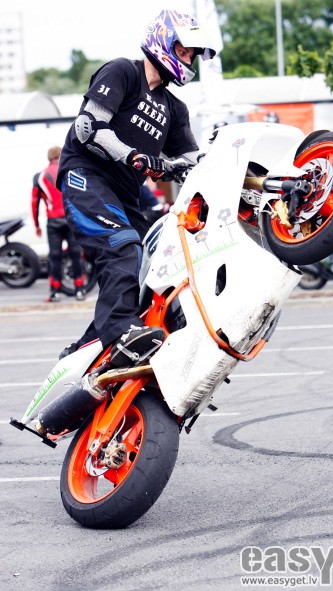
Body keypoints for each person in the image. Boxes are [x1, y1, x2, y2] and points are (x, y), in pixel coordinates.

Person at [56, 9, 216, 366]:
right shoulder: (123, 72)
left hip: (125, 195)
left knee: (150, 268)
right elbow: (89, 127)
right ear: (163, 40)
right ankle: (119, 331)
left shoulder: (175, 108)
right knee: (122, 245)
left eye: (192, 55)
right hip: (86, 176)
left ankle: (87, 350)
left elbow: (193, 161)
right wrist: (134, 156)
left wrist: (223, 163)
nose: (188, 60)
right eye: (184, 50)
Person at [31, 146, 85, 302]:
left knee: (54, 256)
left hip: (53, 221)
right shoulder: (69, 172)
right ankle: (79, 289)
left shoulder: (39, 177)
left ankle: (55, 292)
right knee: (76, 254)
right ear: (60, 156)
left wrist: (36, 225)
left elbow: (34, 203)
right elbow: (81, 196)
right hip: (71, 218)